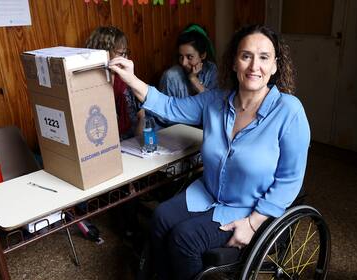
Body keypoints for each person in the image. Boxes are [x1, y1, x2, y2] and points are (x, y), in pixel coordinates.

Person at [109, 25, 310, 280]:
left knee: (184, 238)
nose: (253, 66)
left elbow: (290, 180)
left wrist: (252, 223)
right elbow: (169, 106)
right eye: (246, 56)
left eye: (264, 58)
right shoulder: (215, 101)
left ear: (275, 66)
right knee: (160, 217)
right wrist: (131, 79)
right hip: (208, 192)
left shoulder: (289, 111)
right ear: (234, 62)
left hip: (250, 208)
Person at [85, 26, 144, 140]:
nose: (125, 58)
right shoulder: (91, 84)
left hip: (132, 139)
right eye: (121, 53)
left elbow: (142, 115)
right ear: (104, 53)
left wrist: (137, 142)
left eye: (126, 53)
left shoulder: (124, 77)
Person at [159, 24, 218, 98]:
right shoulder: (171, 76)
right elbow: (163, 107)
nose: (184, 63)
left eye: (189, 57)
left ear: (202, 55)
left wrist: (193, 79)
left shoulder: (211, 69)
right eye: (181, 56)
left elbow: (215, 103)